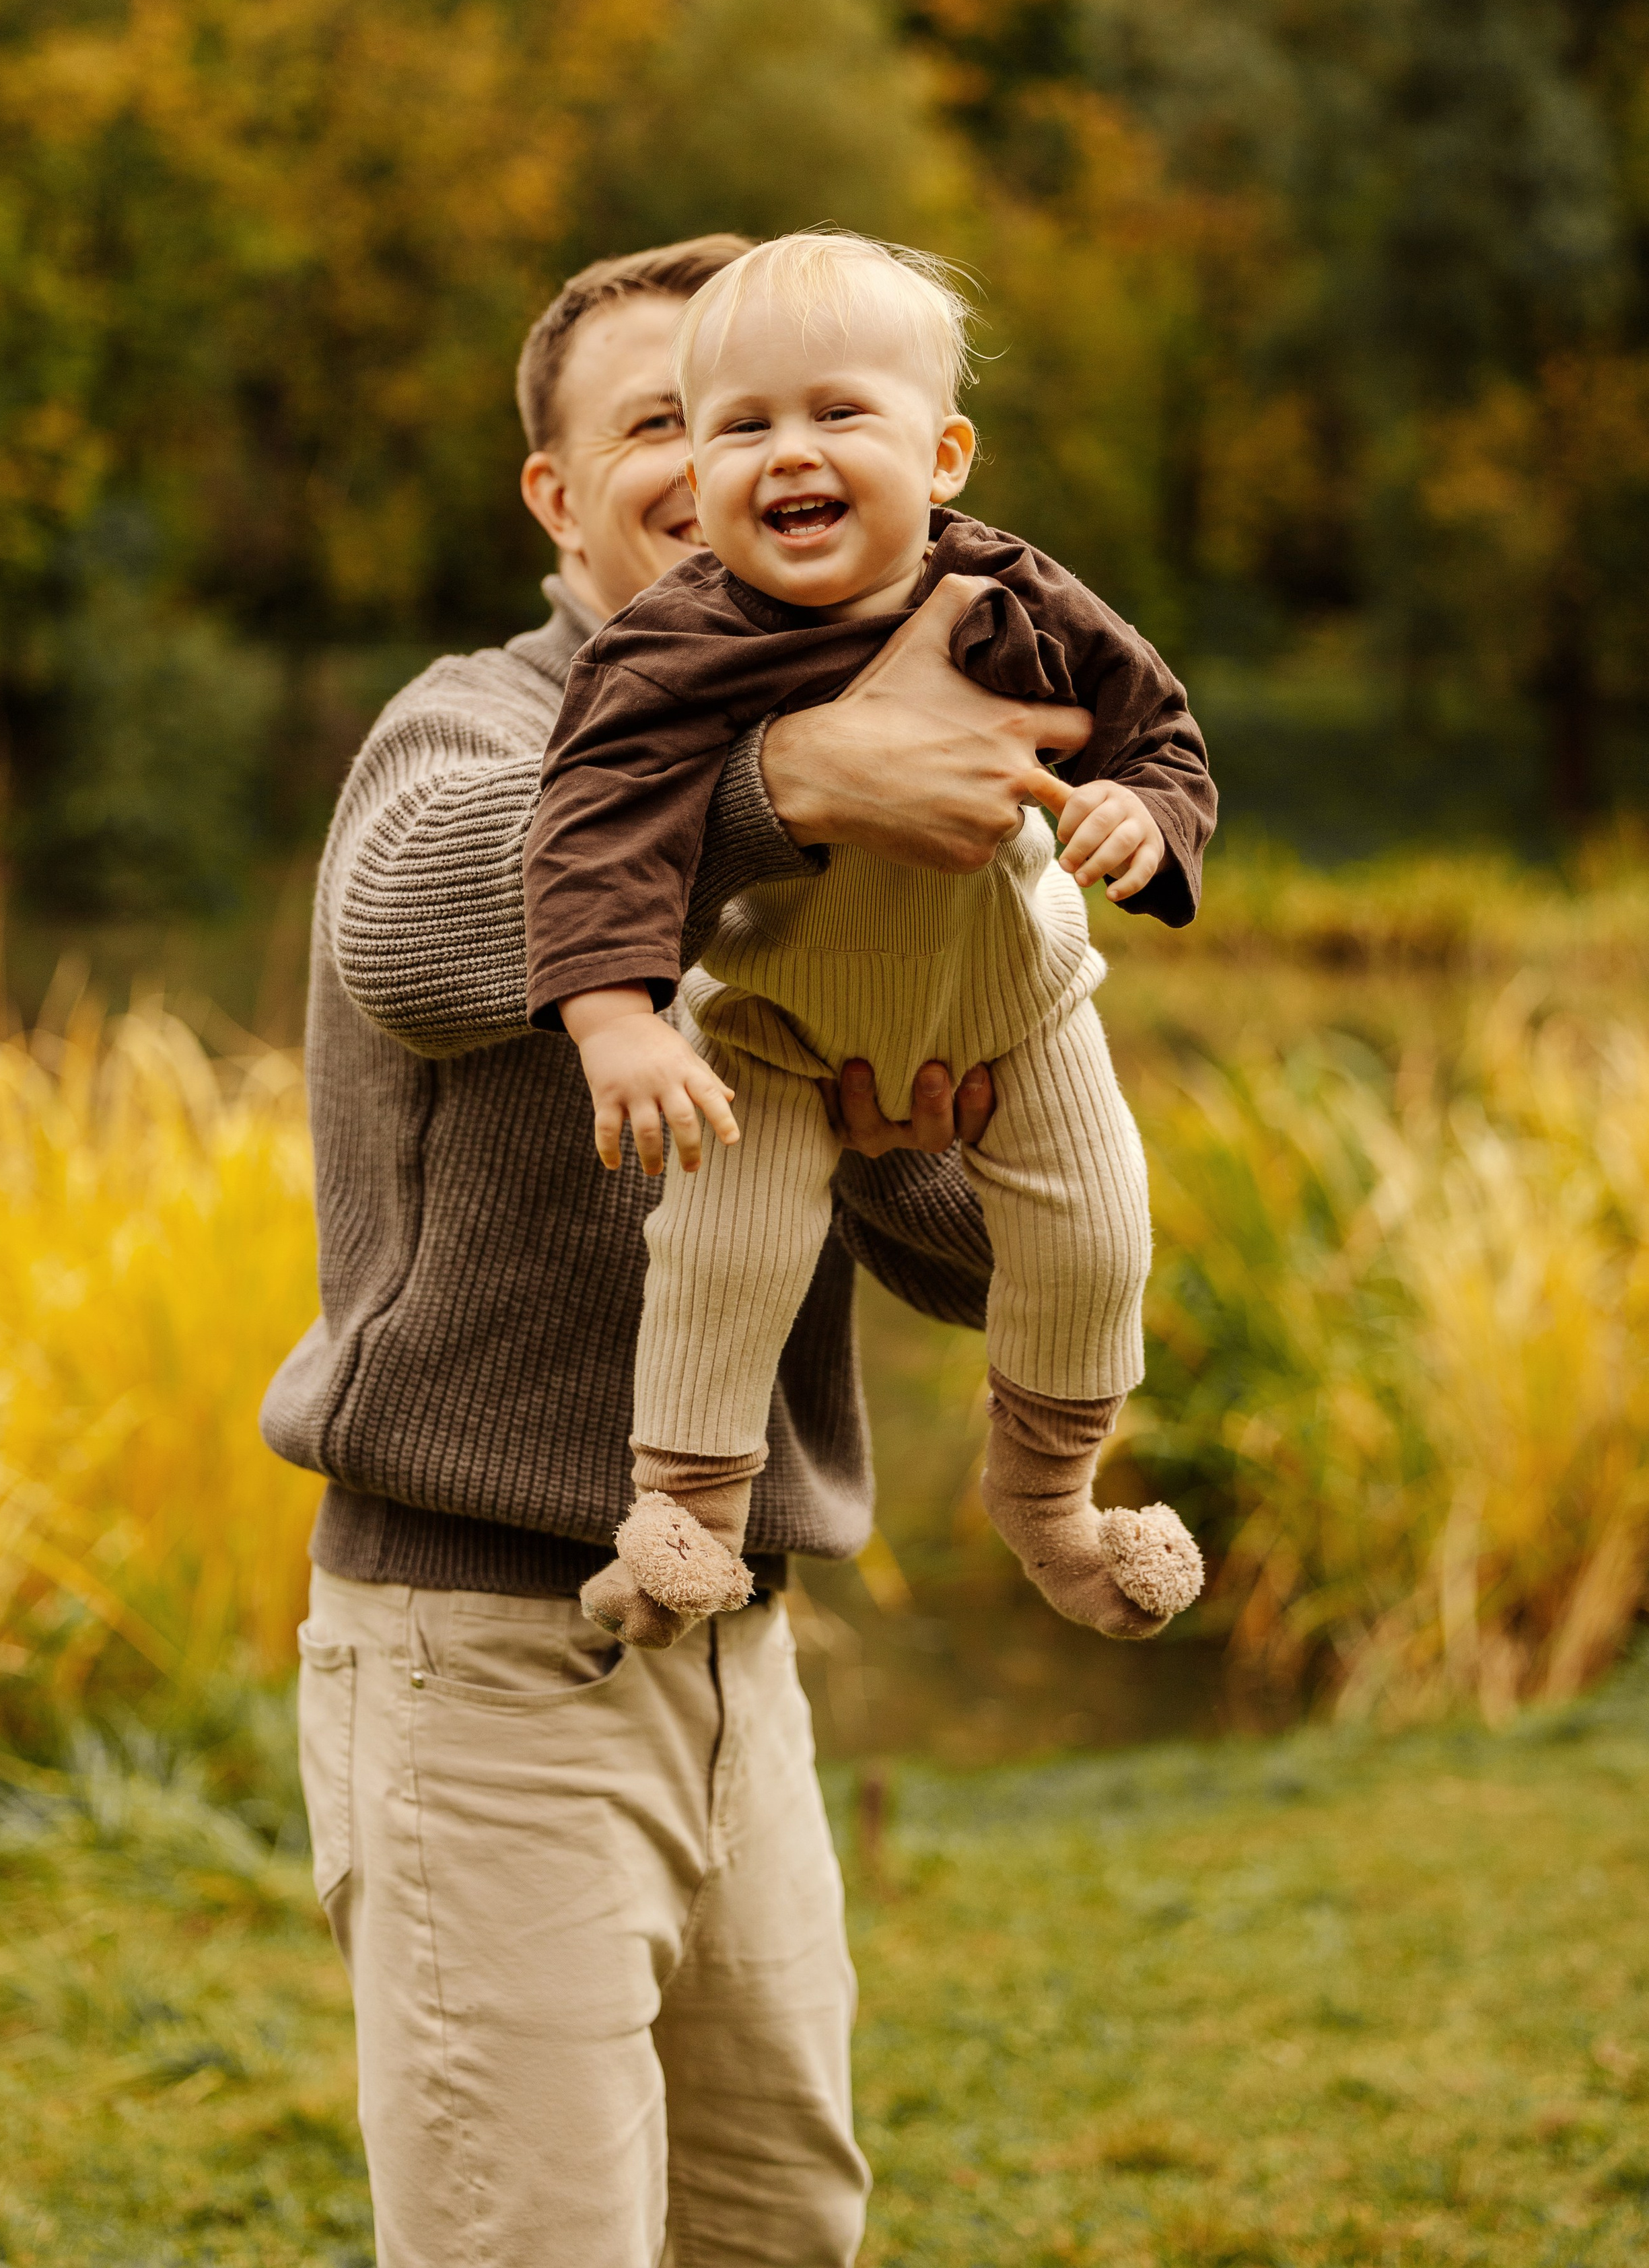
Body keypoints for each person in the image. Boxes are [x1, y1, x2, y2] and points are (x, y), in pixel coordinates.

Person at [262, 231, 1104, 2268]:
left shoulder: (890, 742)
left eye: (796, 413)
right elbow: (422, 931)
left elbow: (953, 1242)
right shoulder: (475, 722)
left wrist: (961, 1119)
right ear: (567, 493)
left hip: (738, 1641)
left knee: (776, 2226)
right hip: (483, 1657)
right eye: (671, 422)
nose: (731, 461)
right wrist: (781, 782)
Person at [524, 233, 1214, 1652]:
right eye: (729, 426)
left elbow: (1156, 732)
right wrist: (613, 1019)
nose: (788, 454)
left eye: (836, 413)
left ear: (945, 454)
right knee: (720, 1241)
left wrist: (1144, 817)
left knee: (1095, 1230)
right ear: (559, 494)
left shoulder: (1014, 595)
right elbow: (586, 827)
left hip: (1012, 1010)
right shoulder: (659, 648)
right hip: (776, 1028)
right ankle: (685, 1525)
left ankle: (1049, 1502)